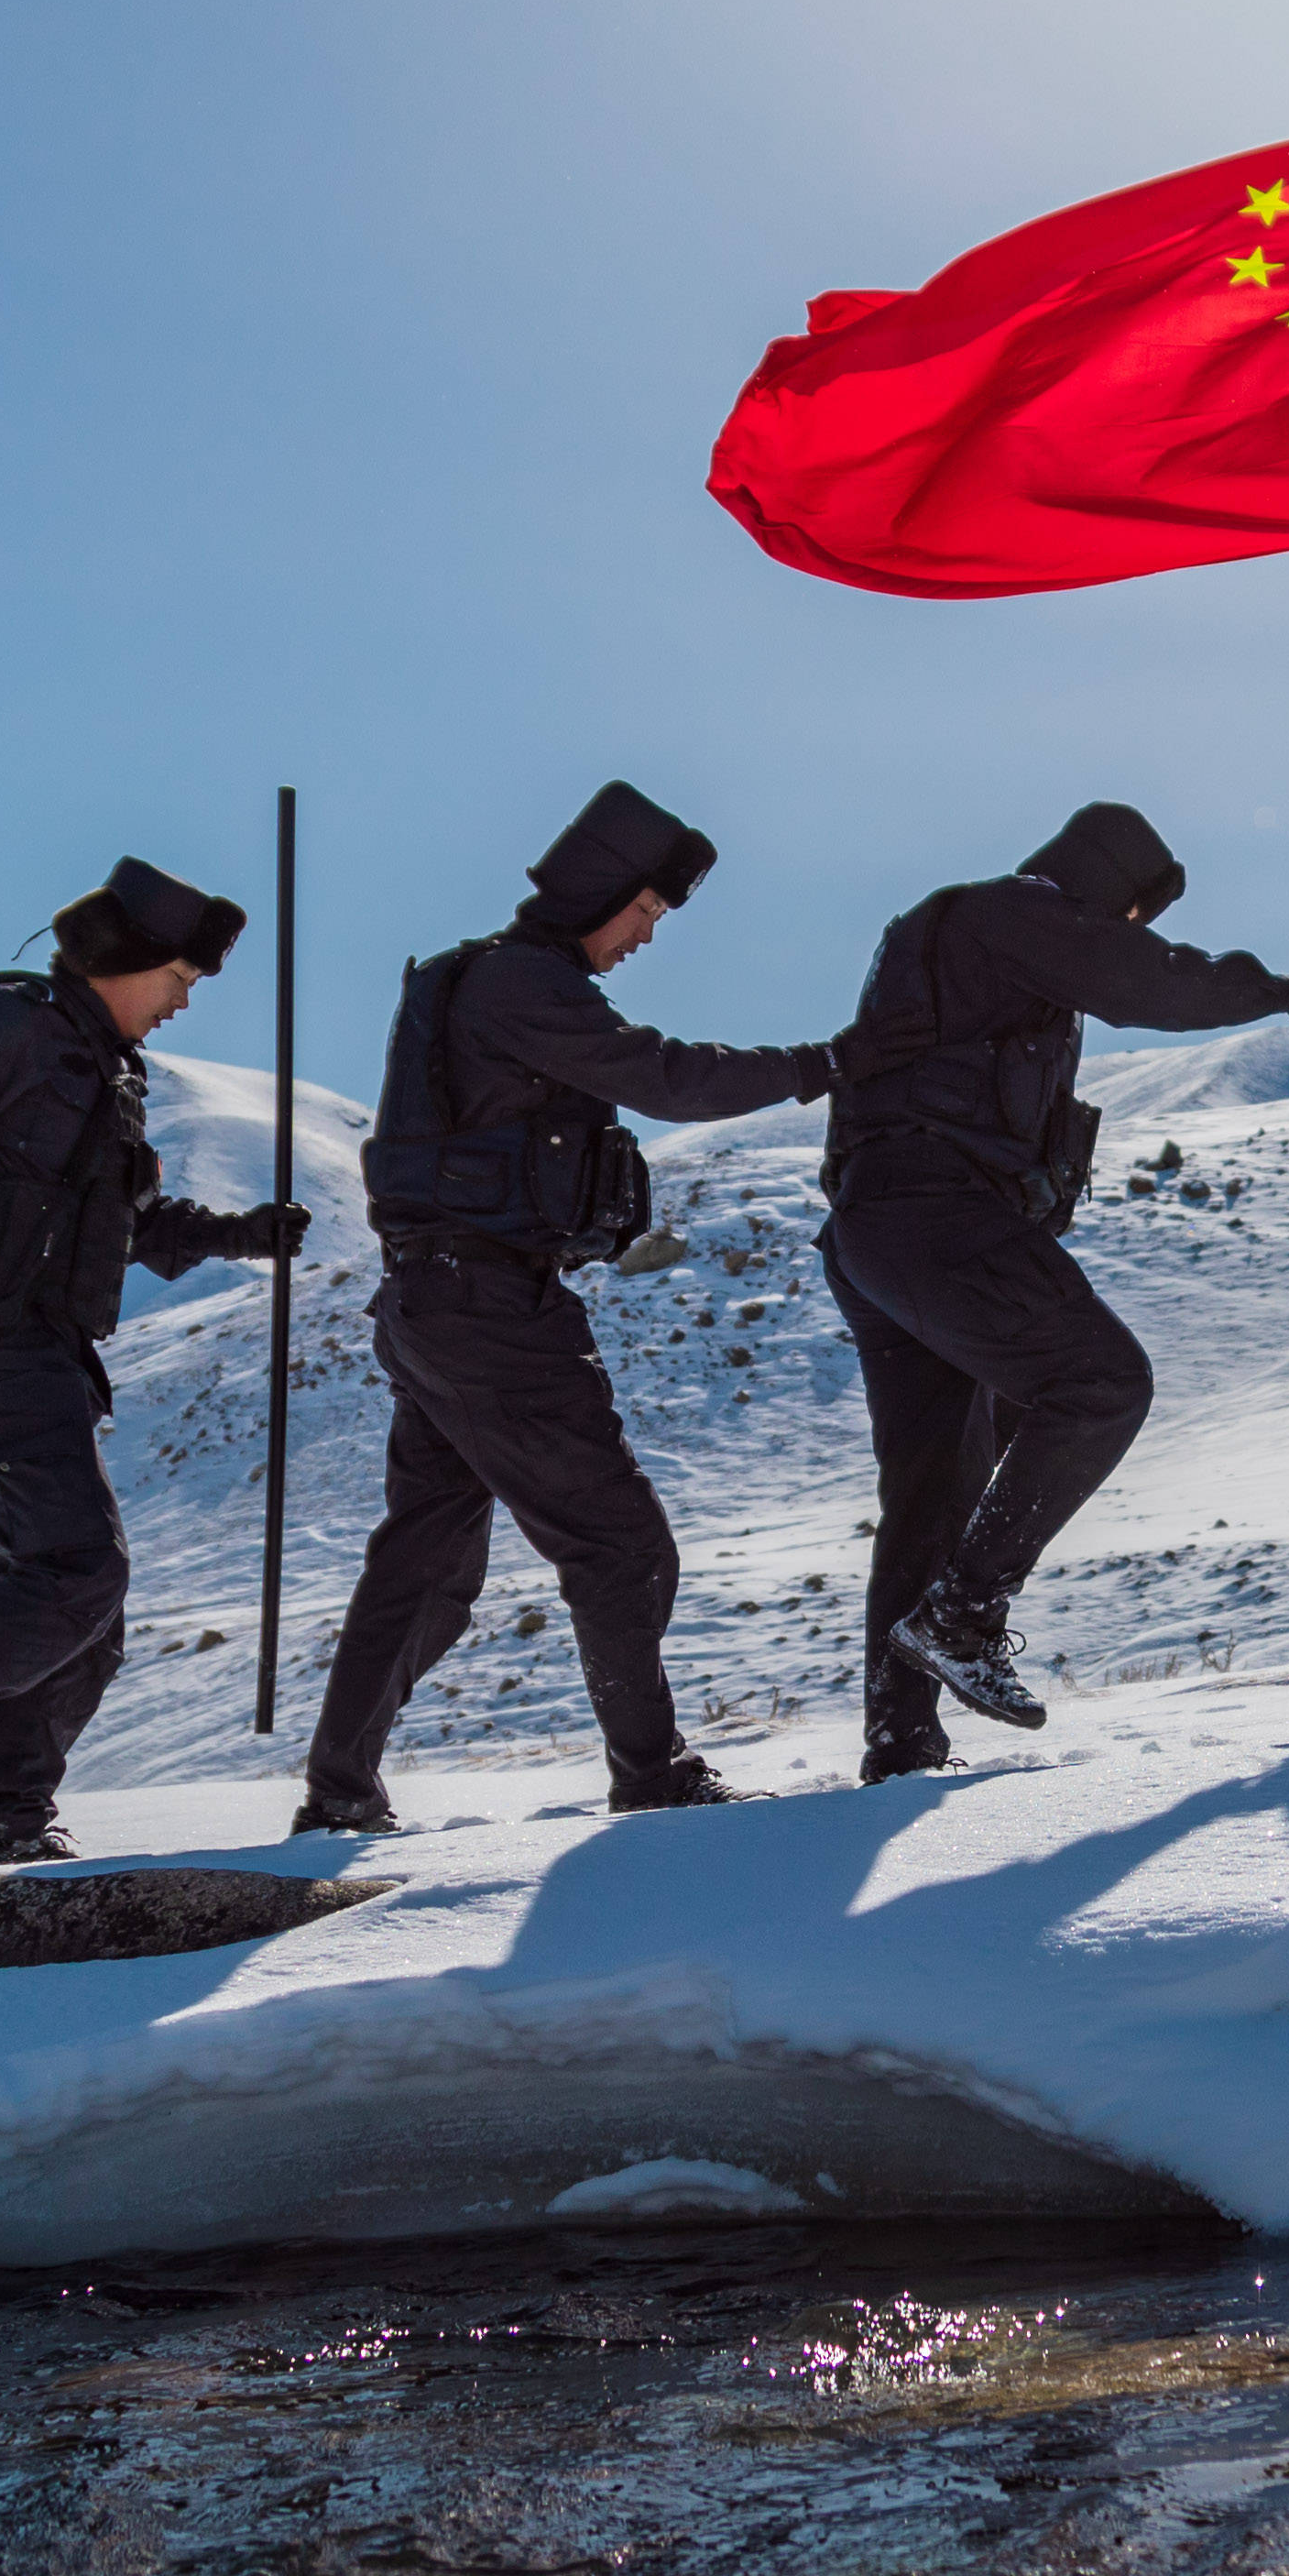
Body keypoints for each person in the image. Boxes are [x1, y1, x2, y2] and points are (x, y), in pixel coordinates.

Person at [295, 781, 835, 1832]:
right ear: (603, 890)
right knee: (619, 1544)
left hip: (437, 1303)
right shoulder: (521, 986)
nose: (644, 936)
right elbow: (667, 1078)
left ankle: (338, 1793)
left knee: (426, 1563)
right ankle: (651, 1774)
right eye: (643, 911)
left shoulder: (488, 983)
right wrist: (822, 1065)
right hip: (492, 1310)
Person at [0, 855, 309, 1867]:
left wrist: (245, 1233)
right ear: (131, 962)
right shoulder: (9, 1030)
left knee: (82, 1600)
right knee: (77, 1571)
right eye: (180, 980)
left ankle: (8, 1818)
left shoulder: (108, 1072)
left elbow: (123, 1221)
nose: (180, 1004)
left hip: (40, 1349)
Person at [838, 800, 1289, 1768]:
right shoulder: (1013, 914)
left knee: (933, 1487)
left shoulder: (958, 940)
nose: (1126, 935)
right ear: (1105, 886)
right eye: (1131, 915)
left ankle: (901, 1742)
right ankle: (962, 1617)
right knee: (1102, 1383)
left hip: (879, 1228)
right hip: (940, 1213)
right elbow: (1148, 982)